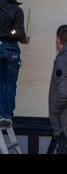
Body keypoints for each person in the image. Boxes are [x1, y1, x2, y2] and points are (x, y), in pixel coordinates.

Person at [48, 25, 67, 154]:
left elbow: (63, 94)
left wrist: (54, 109)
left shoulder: (61, 60)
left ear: (58, 40)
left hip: (63, 126)